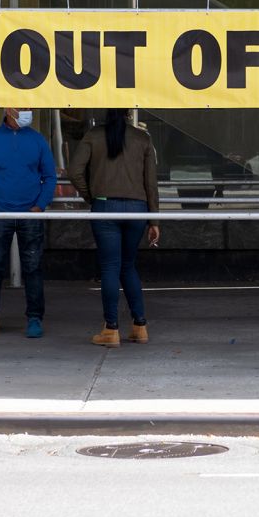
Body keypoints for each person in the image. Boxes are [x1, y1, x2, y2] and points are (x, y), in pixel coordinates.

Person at [69, 108, 161, 348]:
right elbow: (151, 183)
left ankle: (111, 330)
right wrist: (154, 220)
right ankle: (140, 326)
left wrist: (91, 196)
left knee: (110, 267)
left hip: (105, 206)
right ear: (129, 113)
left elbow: (75, 171)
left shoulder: (93, 135)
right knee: (128, 266)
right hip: (138, 209)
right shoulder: (143, 139)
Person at [0, 107, 57, 340]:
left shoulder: (38, 140)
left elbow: (50, 177)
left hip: (31, 214)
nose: (28, 112)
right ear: (9, 110)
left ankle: (35, 318)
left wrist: (39, 206)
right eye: (22, 107)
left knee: (33, 268)